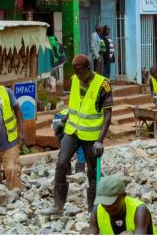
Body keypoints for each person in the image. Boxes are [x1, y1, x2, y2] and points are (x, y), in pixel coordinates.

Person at [40, 55, 113, 216]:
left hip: (91, 135)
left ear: (88, 68)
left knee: (92, 171)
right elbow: (75, 107)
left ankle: (93, 210)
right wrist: (62, 121)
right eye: (76, 72)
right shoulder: (74, 80)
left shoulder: (103, 84)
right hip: (72, 131)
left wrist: (100, 141)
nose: (78, 76)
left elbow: (108, 115)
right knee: (61, 163)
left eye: (81, 73)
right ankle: (57, 206)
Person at [88, 175, 157, 235]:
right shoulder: (97, 212)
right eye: (103, 202)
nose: (107, 207)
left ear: (123, 196)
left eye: (111, 202)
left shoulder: (139, 209)